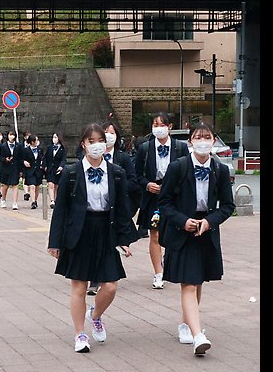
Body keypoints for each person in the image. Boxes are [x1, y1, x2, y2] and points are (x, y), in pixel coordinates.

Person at [47, 123, 134, 353]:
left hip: (106, 229)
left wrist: (124, 239)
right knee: (79, 286)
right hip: (79, 231)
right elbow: (61, 209)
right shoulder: (72, 172)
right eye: (91, 141)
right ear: (84, 144)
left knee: (111, 286)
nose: (97, 146)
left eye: (100, 141)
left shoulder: (116, 173)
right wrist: (55, 242)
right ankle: (80, 334)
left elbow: (123, 207)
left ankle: (95, 315)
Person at [158, 122, 235, 355]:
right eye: (198, 137)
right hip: (183, 231)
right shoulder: (178, 167)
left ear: (214, 141)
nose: (202, 141)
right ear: (190, 141)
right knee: (189, 283)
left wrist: (210, 221)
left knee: (198, 280)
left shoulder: (220, 170)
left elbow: (228, 205)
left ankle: (186, 323)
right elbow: (164, 202)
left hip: (206, 230)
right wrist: (183, 220)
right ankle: (197, 335)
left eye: (207, 137)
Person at [135, 112, 189, 289]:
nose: (158, 128)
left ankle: (169, 263)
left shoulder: (180, 148)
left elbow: (186, 172)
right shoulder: (145, 148)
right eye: (155, 125)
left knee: (173, 231)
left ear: (170, 127)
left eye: (161, 125)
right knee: (155, 233)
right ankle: (158, 273)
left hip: (174, 195)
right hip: (153, 196)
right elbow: (137, 175)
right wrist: (148, 184)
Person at [87, 120, 140, 296]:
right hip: (93, 211)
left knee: (108, 244)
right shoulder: (87, 159)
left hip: (115, 208)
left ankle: (107, 275)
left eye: (112, 133)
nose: (108, 136)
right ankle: (94, 279)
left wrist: (117, 185)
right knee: (95, 245)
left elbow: (133, 181)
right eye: (105, 133)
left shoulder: (123, 158)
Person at [0, 130, 22, 210]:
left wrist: (21, 170)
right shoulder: (3, 146)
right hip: (6, 168)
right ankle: (3, 199)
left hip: (15, 168)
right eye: (10, 135)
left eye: (13, 135)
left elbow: (20, 158)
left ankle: (15, 203)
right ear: (7, 136)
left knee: (15, 185)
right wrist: (5, 159)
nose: (11, 136)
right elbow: (0, 157)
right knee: (5, 185)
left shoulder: (18, 146)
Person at [43, 132, 68, 209]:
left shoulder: (63, 148)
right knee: (51, 184)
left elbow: (64, 159)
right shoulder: (49, 147)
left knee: (57, 186)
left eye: (56, 137)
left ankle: (56, 199)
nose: (54, 139)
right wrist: (45, 166)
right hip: (50, 169)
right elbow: (45, 157)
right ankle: (52, 200)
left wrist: (61, 166)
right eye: (53, 137)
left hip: (58, 169)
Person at [22, 134, 44, 209]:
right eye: (36, 140)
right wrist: (24, 162)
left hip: (38, 170)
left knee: (37, 186)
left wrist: (42, 163)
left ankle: (35, 200)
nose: (37, 142)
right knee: (32, 186)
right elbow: (21, 158)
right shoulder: (26, 150)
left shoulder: (40, 149)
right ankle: (33, 201)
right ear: (32, 142)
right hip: (29, 170)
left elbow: (43, 158)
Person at [21, 132, 31, 201]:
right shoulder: (21, 145)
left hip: (31, 164)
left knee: (30, 178)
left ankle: (28, 191)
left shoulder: (34, 145)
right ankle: (26, 192)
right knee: (24, 177)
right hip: (23, 163)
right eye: (27, 136)